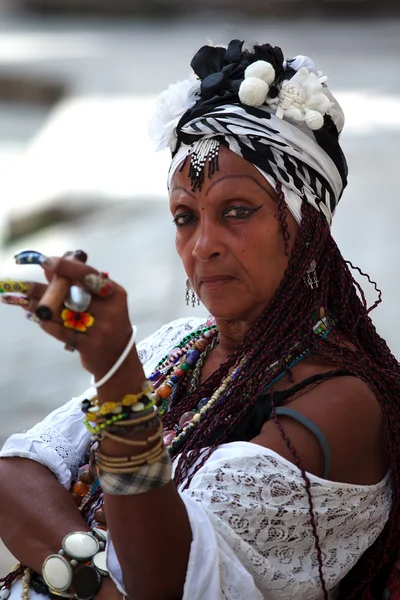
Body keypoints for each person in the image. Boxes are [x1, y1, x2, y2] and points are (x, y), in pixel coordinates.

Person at [0, 38, 398, 600]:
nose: (203, 245)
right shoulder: (181, 343)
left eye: (236, 211)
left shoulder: (341, 402)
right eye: (185, 218)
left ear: (307, 229)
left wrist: (115, 371)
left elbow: (160, 580)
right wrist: (87, 579)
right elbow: (15, 472)